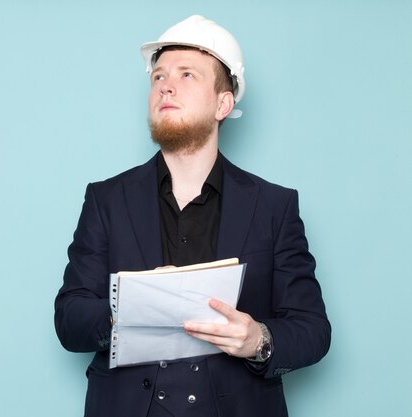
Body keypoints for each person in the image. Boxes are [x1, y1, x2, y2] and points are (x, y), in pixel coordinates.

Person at [54, 15, 330, 417]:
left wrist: (258, 340)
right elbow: (69, 318)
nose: (166, 84)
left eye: (187, 75)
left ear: (223, 102)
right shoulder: (106, 199)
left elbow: (312, 329)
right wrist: (124, 307)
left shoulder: (274, 206)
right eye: (159, 76)